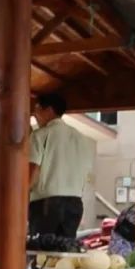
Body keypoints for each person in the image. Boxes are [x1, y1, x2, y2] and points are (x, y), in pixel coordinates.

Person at [29, 93, 95, 238]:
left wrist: (21, 196)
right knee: (64, 254)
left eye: (37, 109)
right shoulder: (82, 139)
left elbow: (33, 169)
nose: (34, 115)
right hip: (75, 204)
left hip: (46, 203)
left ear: (49, 110)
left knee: (42, 253)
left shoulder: (39, 135)